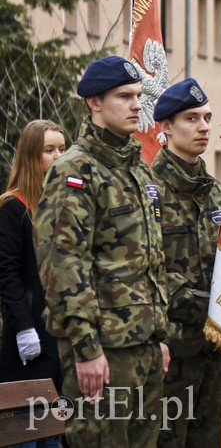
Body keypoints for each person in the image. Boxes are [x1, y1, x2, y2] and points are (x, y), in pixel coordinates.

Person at [34, 55, 170, 447]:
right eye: (124, 96)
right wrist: (86, 347)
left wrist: (158, 334)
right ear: (95, 102)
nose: (135, 105)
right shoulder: (75, 170)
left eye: (138, 96)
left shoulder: (139, 170)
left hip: (143, 343)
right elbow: (64, 264)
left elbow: (150, 259)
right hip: (104, 348)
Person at [150, 79, 221, 446]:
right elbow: (143, 269)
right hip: (169, 348)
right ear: (165, 127)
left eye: (208, 118)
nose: (204, 127)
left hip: (214, 349)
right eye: (191, 118)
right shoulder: (147, 190)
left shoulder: (220, 195)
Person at [0, 120, 66, 447]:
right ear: (31, 155)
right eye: (48, 150)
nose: (57, 156)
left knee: (54, 431)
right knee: (25, 432)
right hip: (28, 336)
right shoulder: (13, 206)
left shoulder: (63, 204)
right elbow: (7, 272)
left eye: (61, 149)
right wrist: (23, 327)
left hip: (58, 334)